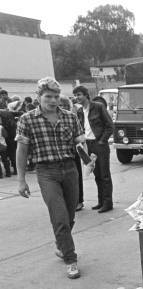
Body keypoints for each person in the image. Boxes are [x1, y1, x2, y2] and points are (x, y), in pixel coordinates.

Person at [16, 77, 85, 278]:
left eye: (56, 96)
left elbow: (80, 144)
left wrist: (89, 159)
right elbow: (21, 151)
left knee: (70, 216)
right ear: (39, 97)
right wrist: (21, 180)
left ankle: (60, 244)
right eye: (48, 96)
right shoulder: (27, 119)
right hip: (47, 172)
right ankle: (71, 259)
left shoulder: (70, 117)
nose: (53, 100)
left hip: (70, 169)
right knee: (60, 217)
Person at [73, 85, 114, 213]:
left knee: (104, 175)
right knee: (96, 174)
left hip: (99, 144)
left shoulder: (98, 107)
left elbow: (110, 126)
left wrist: (102, 141)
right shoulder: (79, 111)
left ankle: (108, 203)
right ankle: (101, 201)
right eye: (75, 95)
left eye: (79, 94)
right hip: (88, 145)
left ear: (86, 95)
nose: (77, 97)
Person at [58, 95, 84, 211]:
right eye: (60, 105)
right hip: (58, 156)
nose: (62, 107)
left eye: (64, 105)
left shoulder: (72, 118)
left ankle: (79, 201)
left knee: (76, 178)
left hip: (73, 153)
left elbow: (80, 137)